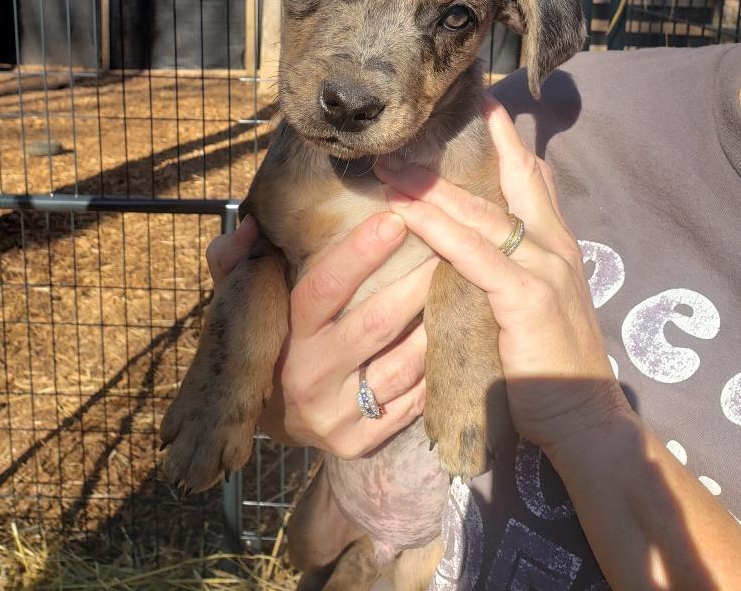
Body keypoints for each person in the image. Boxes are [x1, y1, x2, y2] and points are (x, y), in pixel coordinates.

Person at [206, 43, 741, 590]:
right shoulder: (539, 107)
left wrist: (588, 417)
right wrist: (272, 381)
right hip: (356, 512)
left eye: (455, 18)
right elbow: (299, 262)